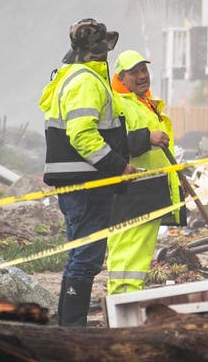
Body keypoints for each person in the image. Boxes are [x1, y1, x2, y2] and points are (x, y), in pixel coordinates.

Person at [38, 18, 142, 327]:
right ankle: (73, 329)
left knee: (78, 257)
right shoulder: (86, 81)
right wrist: (118, 166)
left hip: (77, 183)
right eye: (104, 47)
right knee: (85, 259)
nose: (108, 52)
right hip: (88, 183)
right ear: (97, 50)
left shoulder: (71, 76)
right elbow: (82, 135)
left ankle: (67, 326)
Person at [105, 49, 180, 299]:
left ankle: (129, 298)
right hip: (130, 192)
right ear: (121, 78)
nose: (142, 76)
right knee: (127, 250)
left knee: (138, 255)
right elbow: (112, 143)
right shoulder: (117, 103)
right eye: (133, 72)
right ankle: (122, 301)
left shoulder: (144, 103)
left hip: (148, 190)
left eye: (144, 70)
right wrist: (146, 138)